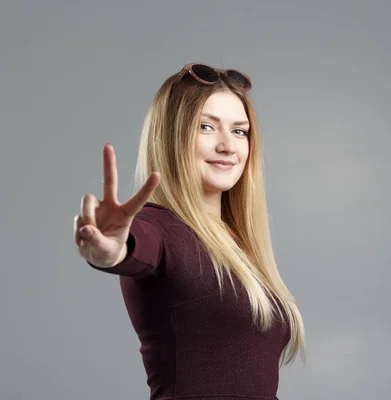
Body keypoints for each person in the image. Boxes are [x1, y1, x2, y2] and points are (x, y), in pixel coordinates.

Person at [73, 63, 305, 400]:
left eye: (240, 131)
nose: (228, 145)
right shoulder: (159, 228)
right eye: (207, 127)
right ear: (171, 137)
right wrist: (113, 249)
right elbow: (137, 247)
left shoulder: (236, 242)